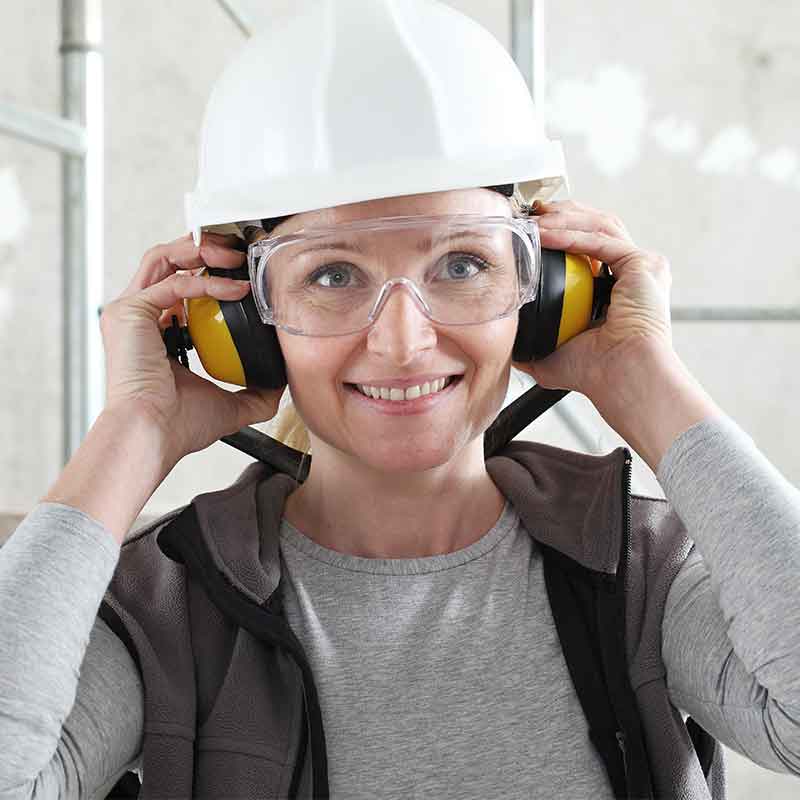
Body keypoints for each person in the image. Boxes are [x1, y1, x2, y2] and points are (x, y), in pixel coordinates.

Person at [2, 2, 800, 799]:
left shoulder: (636, 568)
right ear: (239, 318)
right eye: (332, 275)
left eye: (460, 264)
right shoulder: (167, 602)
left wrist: (642, 376)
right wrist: (135, 427)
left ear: (547, 288)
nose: (403, 342)